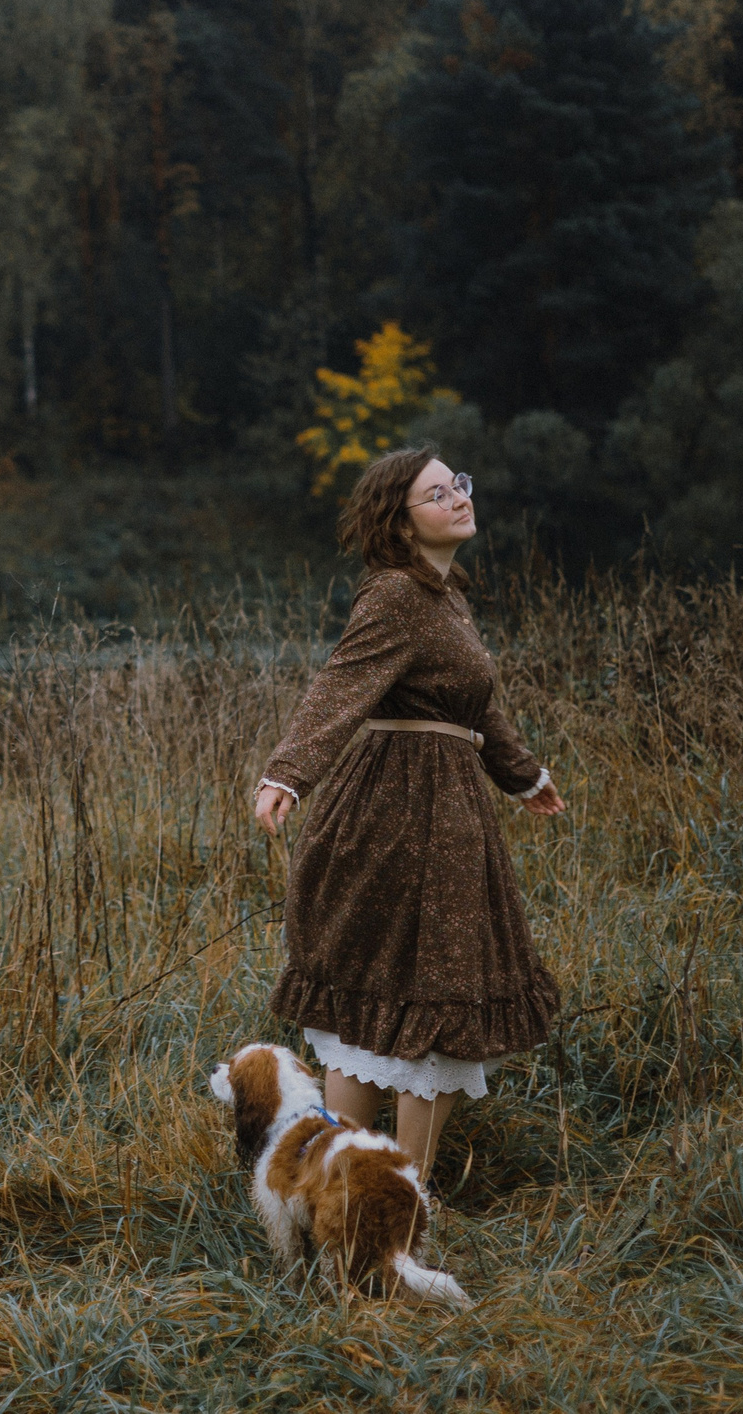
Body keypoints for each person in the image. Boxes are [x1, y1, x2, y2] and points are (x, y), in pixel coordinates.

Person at [251, 445, 566, 1185]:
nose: (459, 498)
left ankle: (359, 1191)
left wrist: (523, 776)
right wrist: (288, 773)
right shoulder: (395, 592)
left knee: (410, 995)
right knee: (416, 994)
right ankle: (383, 1196)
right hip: (396, 813)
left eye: (460, 483)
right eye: (437, 493)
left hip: (446, 810)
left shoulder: (445, 597)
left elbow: (474, 705)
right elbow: (342, 684)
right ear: (400, 522)